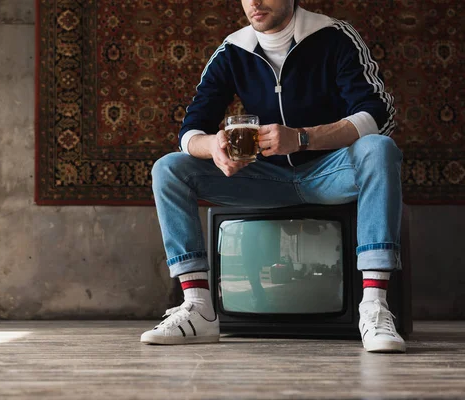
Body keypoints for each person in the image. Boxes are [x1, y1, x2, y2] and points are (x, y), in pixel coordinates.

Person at [141, 0, 405, 353]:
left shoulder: (334, 37)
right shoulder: (233, 50)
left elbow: (378, 114)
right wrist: (214, 146)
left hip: (331, 174)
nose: (254, 2)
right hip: (264, 179)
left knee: (378, 147)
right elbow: (191, 131)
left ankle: (374, 306)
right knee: (169, 168)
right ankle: (199, 307)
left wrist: (301, 137)